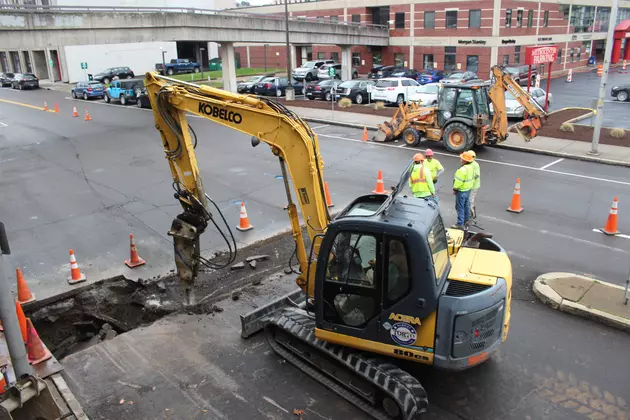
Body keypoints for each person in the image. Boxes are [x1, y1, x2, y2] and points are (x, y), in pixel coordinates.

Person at [452, 151, 475, 229]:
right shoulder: (472, 168)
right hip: (468, 190)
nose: (460, 159)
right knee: (466, 205)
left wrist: (455, 189)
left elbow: (458, 182)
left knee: (460, 207)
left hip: (461, 191)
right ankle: (466, 220)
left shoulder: (462, 170)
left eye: (462, 158)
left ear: (465, 160)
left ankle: (460, 224)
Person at [469, 150, 481, 220]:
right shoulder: (470, 163)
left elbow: (477, 175)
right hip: (470, 185)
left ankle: (472, 213)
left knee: (470, 200)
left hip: (473, 186)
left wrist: (470, 181)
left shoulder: (475, 165)